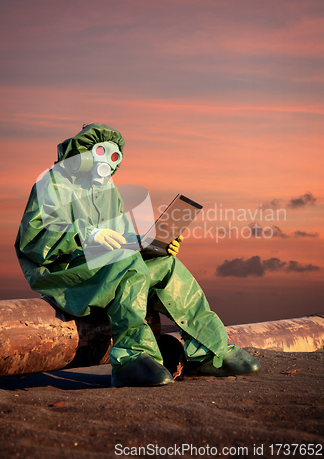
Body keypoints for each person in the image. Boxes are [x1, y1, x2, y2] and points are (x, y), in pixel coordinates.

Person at [15, 123, 260, 387]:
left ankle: (208, 353)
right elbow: (34, 238)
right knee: (126, 264)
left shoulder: (107, 191)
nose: (107, 162)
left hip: (105, 267)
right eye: (101, 151)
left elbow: (118, 239)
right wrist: (85, 234)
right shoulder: (52, 182)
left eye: (114, 156)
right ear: (83, 152)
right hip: (64, 274)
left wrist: (149, 246)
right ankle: (131, 359)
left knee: (166, 266)